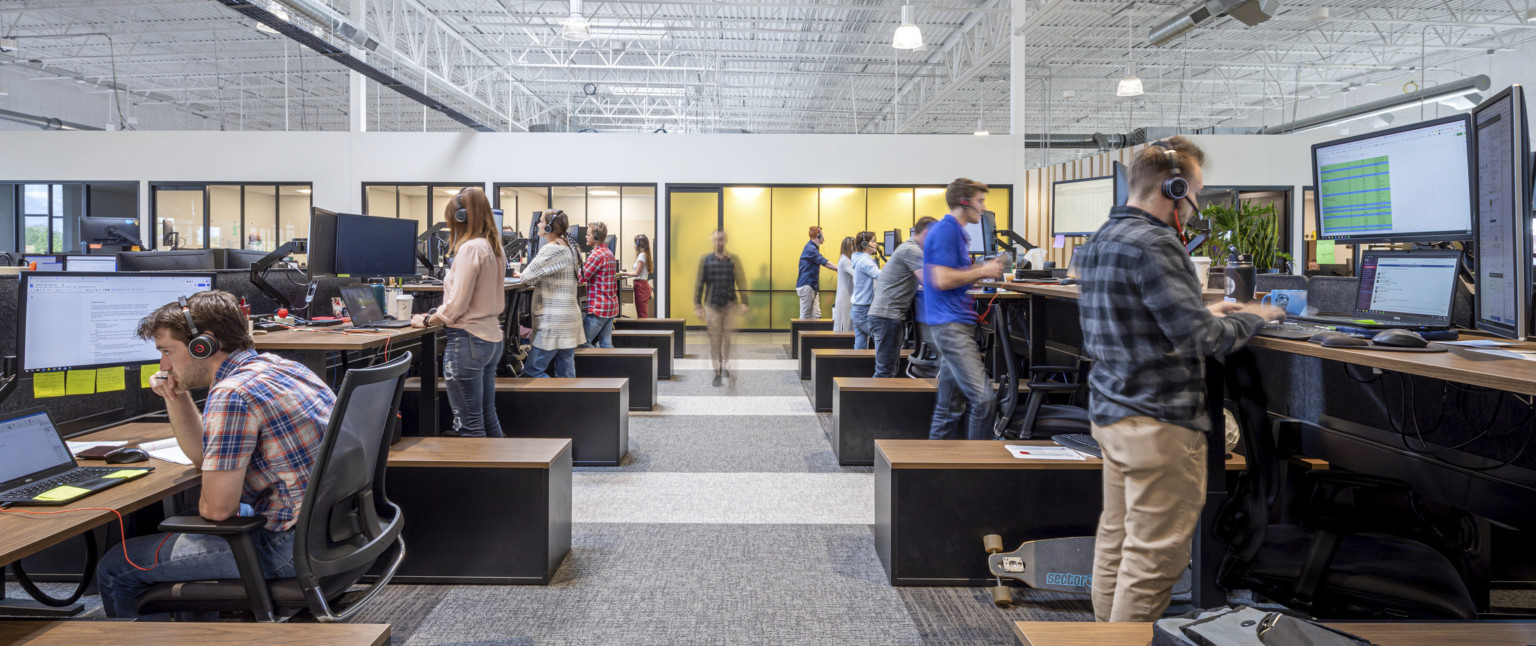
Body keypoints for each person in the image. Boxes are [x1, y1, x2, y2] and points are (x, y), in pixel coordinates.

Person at [1074, 137, 1285, 623]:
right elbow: (1206, 340)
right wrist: (1254, 315)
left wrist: (1202, 308)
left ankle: (1107, 640)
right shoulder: (1156, 243)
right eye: (1196, 193)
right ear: (1173, 189)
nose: (1195, 206)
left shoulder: (1102, 238)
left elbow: (1137, 320)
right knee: (1155, 558)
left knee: (1118, 540)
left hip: (1112, 415)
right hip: (1159, 421)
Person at [97, 291, 335, 619]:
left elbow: (219, 510)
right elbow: (202, 455)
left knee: (118, 564)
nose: (162, 365)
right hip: (333, 532)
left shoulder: (232, 393)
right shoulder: (282, 367)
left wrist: (205, 507)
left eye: (167, 352)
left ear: (202, 345)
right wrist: (175, 395)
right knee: (186, 524)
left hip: (290, 548)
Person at [411, 187, 506, 438]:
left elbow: (456, 306)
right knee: (486, 415)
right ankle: (501, 473)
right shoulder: (493, 247)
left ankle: (480, 478)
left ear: (462, 218)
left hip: (468, 340)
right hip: (490, 338)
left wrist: (427, 320)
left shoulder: (470, 248)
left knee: (470, 424)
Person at [923, 178, 1008, 440]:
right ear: (964, 202)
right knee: (983, 401)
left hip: (953, 323)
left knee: (949, 407)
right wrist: (982, 269)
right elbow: (942, 279)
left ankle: (937, 468)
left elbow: (953, 274)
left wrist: (981, 273)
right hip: (951, 327)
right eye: (979, 201)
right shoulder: (947, 231)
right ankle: (977, 467)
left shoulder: (956, 232)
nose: (983, 208)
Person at [514, 210, 584, 378]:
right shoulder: (569, 247)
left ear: (548, 226)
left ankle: (548, 401)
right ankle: (566, 404)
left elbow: (527, 276)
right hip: (567, 319)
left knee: (532, 371)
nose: (538, 225)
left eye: (540, 222)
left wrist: (520, 275)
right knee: (565, 371)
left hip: (554, 321)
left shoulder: (552, 249)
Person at [868, 216, 936, 377]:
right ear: (927, 234)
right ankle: (874, 402)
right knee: (885, 372)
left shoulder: (908, 248)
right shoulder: (912, 251)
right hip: (887, 317)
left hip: (883, 316)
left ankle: (879, 401)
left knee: (887, 370)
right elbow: (930, 282)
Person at [694, 229, 748, 386]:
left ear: (726, 240)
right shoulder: (706, 260)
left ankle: (726, 366)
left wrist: (745, 301)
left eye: (722, 239)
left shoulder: (733, 260)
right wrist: (698, 304)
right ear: (713, 241)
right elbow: (700, 282)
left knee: (728, 338)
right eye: (716, 239)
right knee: (715, 339)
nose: (719, 242)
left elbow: (741, 280)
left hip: (730, 305)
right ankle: (717, 370)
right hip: (712, 305)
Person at [579, 221, 618, 348]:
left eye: (588, 234)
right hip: (610, 307)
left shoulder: (596, 255)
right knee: (606, 344)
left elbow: (582, 277)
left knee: (583, 343)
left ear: (596, 237)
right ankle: (613, 367)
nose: (586, 236)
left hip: (599, 309)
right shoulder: (608, 253)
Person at [849, 231, 881, 350]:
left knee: (860, 343)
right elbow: (881, 276)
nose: (876, 244)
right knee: (882, 337)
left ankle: (857, 367)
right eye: (873, 241)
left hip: (857, 309)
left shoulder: (860, 259)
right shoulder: (865, 261)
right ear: (864, 244)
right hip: (862, 310)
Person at [796, 226, 837, 319]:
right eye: (822, 235)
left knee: (816, 315)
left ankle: (814, 333)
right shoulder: (810, 249)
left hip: (812, 286)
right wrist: (840, 269)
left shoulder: (813, 248)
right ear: (817, 236)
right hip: (807, 285)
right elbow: (825, 263)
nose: (823, 237)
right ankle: (800, 333)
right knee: (805, 315)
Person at [623, 234, 654, 318]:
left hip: (641, 286)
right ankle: (644, 330)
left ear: (638, 244)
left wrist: (623, 273)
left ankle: (644, 330)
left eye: (634, 243)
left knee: (642, 315)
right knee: (641, 314)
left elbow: (636, 273)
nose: (633, 245)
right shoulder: (644, 255)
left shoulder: (642, 255)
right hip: (641, 286)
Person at [833, 236, 855, 332]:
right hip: (845, 299)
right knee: (845, 327)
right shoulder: (846, 261)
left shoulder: (843, 259)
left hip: (845, 297)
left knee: (844, 325)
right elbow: (857, 275)